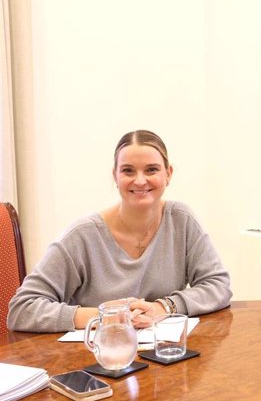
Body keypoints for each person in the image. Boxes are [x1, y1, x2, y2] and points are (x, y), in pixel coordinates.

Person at [7, 130, 232, 332]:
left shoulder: (181, 220)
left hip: (164, 357)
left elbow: (218, 286)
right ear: (115, 176)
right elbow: (22, 309)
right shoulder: (82, 235)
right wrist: (104, 316)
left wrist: (163, 307)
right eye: (128, 171)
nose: (140, 180)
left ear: (168, 174)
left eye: (151, 169)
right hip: (97, 360)